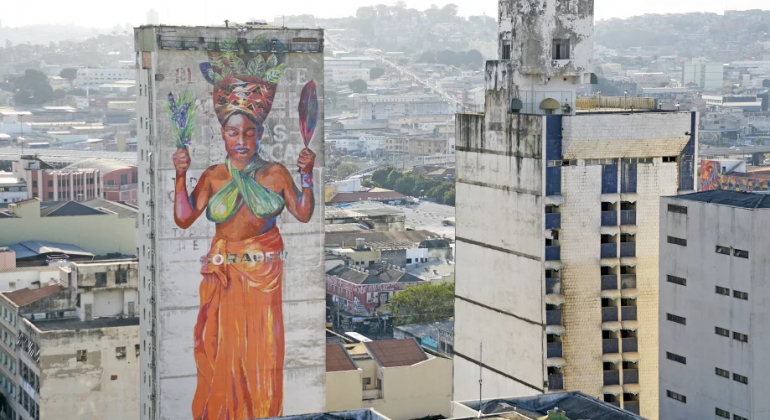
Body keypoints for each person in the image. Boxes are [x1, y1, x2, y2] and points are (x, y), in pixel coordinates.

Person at [171, 47, 315, 420]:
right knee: (221, 348)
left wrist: (307, 175)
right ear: (222, 134)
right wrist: (180, 174)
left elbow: (302, 213)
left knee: (260, 351)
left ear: (260, 134)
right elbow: (185, 218)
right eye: (234, 132)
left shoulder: (276, 173)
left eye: (249, 132)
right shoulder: (214, 176)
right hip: (226, 274)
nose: (241, 140)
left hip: (264, 274)